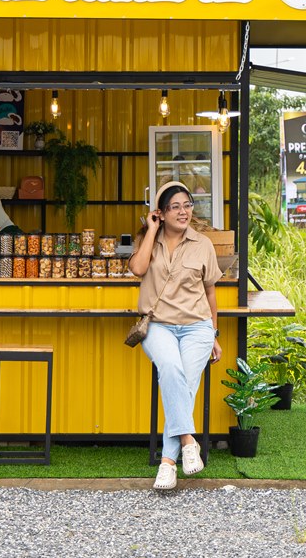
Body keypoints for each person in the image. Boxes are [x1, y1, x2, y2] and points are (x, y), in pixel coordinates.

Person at [128, 180, 222, 490]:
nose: (183, 212)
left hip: (197, 327)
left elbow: (210, 293)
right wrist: (151, 229)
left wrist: (214, 334)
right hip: (158, 325)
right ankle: (188, 441)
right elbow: (137, 269)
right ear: (161, 212)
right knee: (170, 369)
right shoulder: (148, 240)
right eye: (175, 207)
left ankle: (167, 464)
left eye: (187, 205)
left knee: (184, 386)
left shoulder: (203, 244)